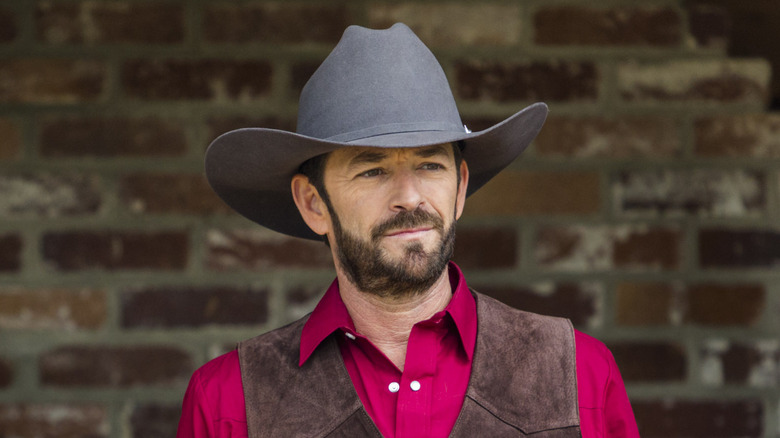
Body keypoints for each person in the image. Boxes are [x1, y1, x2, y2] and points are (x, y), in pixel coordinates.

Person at [178, 23, 640, 437]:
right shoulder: (227, 403)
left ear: (460, 188)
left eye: (430, 165)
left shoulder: (580, 375)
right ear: (313, 203)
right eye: (372, 170)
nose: (410, 197)